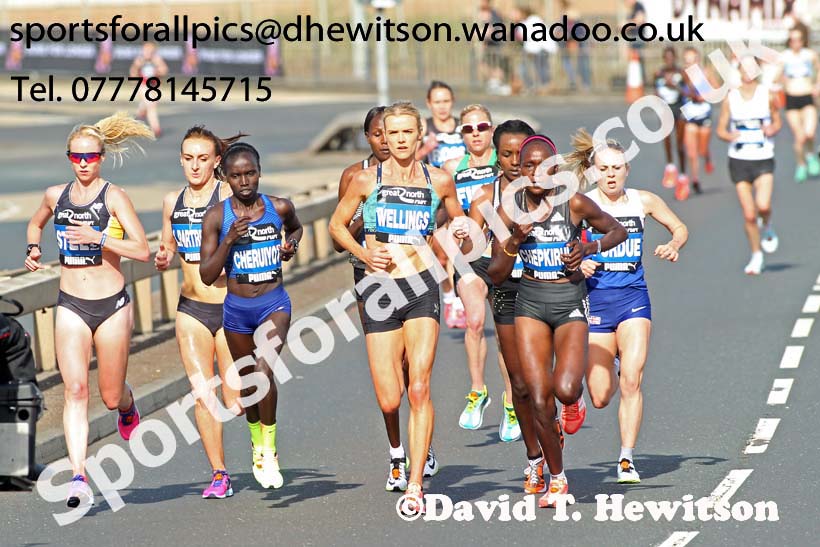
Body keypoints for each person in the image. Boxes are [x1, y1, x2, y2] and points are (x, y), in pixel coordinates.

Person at [330, 101, 470, 514]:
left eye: (408, 132)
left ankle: (415, 483)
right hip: (378, 291)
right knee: (390, 398)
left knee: (420, 385)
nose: (401, 140)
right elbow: (337, 226)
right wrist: (363, 253)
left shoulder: (440, 180)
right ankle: (400, 450)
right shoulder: (364, 180)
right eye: (393, 133)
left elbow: (460, 227)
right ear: (384, 138)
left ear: (420, 135)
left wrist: (459, 232)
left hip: (421, 287)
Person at [488, 134, 627, 507]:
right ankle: (557, 479)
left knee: (565, 389)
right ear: (519, 170)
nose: (535, 172)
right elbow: (497, 274)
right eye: (527, 165)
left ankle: (573, 401)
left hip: (569, 301)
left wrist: (589, 247)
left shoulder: (574, 203)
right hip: (530, 302)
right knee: (538, 399)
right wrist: (515, 239)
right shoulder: (509, 210)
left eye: (543, 166)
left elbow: (617, 230)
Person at [24, 113, 153, 507]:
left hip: (111, 306)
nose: (83, 164)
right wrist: (33, 248)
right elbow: (35, 224)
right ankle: (79, 475)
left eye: (91, 157)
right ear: (69, 158)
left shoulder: (114, 197)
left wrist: (100, 238)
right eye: (76, 157)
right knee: (75, 390)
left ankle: (127, 408)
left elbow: (143, 250)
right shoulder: (54, 195)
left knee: (110, 396)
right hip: (71, 305)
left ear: (101, 158)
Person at [567, 129, 688, 484]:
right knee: (602, 395)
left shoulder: (643, 201)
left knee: (632, 379)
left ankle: (626, 459)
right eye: (604, 168)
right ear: (593, 171)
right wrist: (578, 263)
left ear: (627, 169)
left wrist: (674, 243)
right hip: (596, 301)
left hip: (634, 299)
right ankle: (606, 370)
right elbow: (560, 247)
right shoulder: (580, 205)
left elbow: (679, 226)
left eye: (617, 167)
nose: (611, 174)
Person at [199, 142, 303, 489]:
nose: (245, 181)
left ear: (259, 172)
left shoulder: (279, 206)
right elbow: (207, 275)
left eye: (250, 173)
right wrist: (228, 241)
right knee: (247, 387)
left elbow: (296, 227)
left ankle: (270, 451)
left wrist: (291, 245)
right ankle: (257, 442)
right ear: (225, 177)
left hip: (274, 304)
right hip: (237, 310)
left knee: (263, 372)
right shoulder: (216, 217)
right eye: (236, 175)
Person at [154, 126, 245, 498]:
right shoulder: (171, 200)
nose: (195, 166)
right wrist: (163, 256)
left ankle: (261, 437)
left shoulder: (230, 196)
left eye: (203, 159)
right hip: (191, 308)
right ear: (180, 159)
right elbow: (167, 245)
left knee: (236, 401)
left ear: (216, 161)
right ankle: (219, 474)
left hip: (230, 306)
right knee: (202, 393)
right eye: (188, 158)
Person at [465, 119, 553, 492]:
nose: (517, 162)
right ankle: (534, 459)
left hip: (545, 288)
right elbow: (469, 253)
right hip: (505, 286)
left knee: (544, 383)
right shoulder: (485, 200)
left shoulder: (555, 193)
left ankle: (553, 425)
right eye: (507, 154)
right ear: (495, 158)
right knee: (519, 383)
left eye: (523, 153)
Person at [442, 105, 516, 439]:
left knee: (503, 334)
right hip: (469, 255)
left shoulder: (505, 163)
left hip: (504, 255)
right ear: (461, 134)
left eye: (482, 127)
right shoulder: (449, 169)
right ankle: (477, 390)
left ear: (492, 130)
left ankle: (511, 402)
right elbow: (440, 217)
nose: (475, 133)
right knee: (474, 321)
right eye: (468, 129)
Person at [716, 59, 782, 275]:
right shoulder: (731, 98)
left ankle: (768, 225)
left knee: (762, 205)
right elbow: (721, 130)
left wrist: (772, 129)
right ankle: (756, 255)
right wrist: (729, 135)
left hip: (763, 156)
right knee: (749, 214)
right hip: (739, 159)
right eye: (744, 68)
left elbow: (777, 121)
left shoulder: (767, 95)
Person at [416, 81, 468, 329]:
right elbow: (407, 159)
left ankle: (462, 296)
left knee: (458, 250)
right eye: (437, 102)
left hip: (461, 194)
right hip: (435, 196)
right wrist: (427, 148)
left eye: (446, 101)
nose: (442, 107)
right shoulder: (424, 127)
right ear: (429, 104)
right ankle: (450, 296)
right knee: (438, 250)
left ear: (452, 101)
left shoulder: (463, 128)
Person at [775, 24, 820, 183]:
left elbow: (819, 68)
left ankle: (811, 155)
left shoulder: (810, 55)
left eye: (799, 40)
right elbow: (776, 76)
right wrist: (781, 80)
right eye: (793, 40)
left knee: (809, 133)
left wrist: (817, 85)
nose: (796, 43)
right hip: (792, 99)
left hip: (807, 96)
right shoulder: (784, 57)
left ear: (803, 40)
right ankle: (801, 164)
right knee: (800, 136)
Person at [679, 47, 717, 199]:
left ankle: (707, 157)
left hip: (704, 114)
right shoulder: (682, 75)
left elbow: (716, 90)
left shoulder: (705, 72)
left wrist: (704, 95)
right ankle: (695, 179)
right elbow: (677, 89)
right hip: (689, 115)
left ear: (698, 60)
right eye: (687, 60)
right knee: (692, 152)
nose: (690, 64)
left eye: (692, 60)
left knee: (702, 150)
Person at [654, 47, 687, 190]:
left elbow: (688, 92)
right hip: (665, 109)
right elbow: (656, 91)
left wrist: (674, 86)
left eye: (671, 58)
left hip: (679, 107)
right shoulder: (658, 74)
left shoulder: (681, 73)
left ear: (675, 58)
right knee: (666, 139)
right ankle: (670, 167)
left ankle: (683, 174)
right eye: (666, 58)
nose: (669, 61)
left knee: (680, 144)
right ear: (664, 59)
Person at [129, 42, 168, 138]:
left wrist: (158, 70)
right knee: (151, 105)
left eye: (150, 51)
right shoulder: (139, 60)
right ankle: (156, 129)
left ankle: (140, 112)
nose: (148, 53)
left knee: (147, 104)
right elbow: (133, 73)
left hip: (154, 85)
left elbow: (164, 70)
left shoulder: (157, 59)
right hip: (143, 85)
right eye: (146, 50)